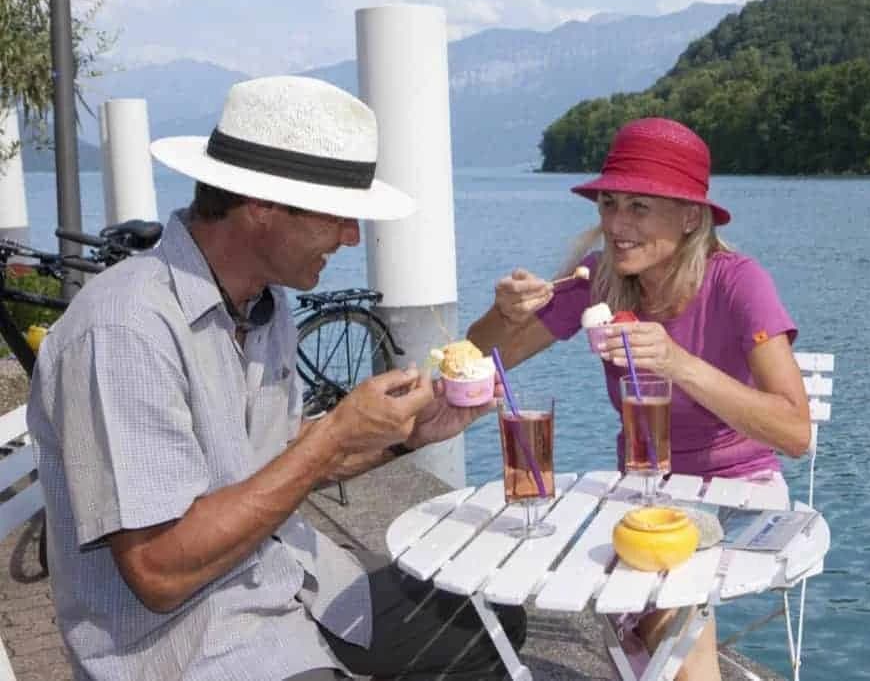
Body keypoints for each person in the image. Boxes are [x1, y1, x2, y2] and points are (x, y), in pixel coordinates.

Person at [27, 76, 525, 681]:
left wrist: (408, 434)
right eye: (339, 215)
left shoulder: (261, 304)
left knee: (492, 624)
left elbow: (275, 462)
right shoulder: (124, 331)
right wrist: (334, 435)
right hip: (192, 646)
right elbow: (158, 571)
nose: (352, 237)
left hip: (288, 588)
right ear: (260, 205)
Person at [467, 117, 810, 681]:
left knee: (661, 595)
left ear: (691, 216)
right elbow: (482, 357)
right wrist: (502, 313)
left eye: (639, 208)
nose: (616, 226)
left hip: (740, 489)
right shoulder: (598, 277)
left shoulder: (738, 282)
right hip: (644, 486)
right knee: (627, 580)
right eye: (608, 204)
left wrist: (678, 363)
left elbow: (796, 432)